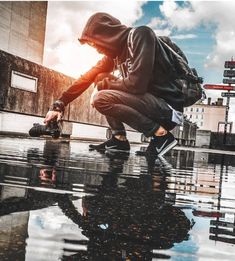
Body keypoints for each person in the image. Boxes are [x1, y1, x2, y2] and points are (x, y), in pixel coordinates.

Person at [44, 12, 185, 157]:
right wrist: (59, 104)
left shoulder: (141, 35)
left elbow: (137, 85)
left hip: (168, 108)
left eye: (95, 43)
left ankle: (161, 136)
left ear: (106, 35)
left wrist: (104, 85)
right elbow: (86, 78)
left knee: (101, 98)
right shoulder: (114, 56)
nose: (97, 50)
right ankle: (119, 140)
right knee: (99, 78)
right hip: (150, 105)